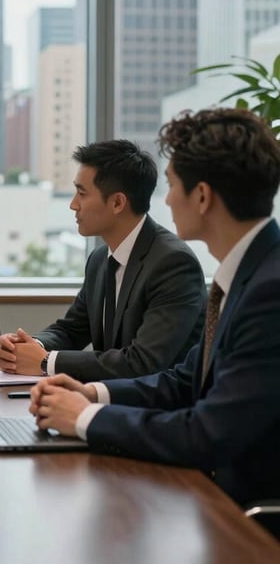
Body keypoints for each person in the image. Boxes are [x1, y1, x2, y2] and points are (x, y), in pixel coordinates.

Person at [29, 108, 280, 506]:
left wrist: (84, 418)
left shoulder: (269, 291)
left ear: (202, 197)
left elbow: (207, 433)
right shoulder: (247, 276)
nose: (166, 200)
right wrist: (92, 393)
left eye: (171, 185)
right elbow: (184, 381)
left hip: (244, 518)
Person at [0, 140, 205, 381]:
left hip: (160, 411)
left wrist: (44, 361)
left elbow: (143, 363)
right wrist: (24, 347)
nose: (73, 204)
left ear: (117, 203)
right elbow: (72, 330)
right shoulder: (99, 259)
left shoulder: (173, 264)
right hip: (111, 402)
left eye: (82, 194)